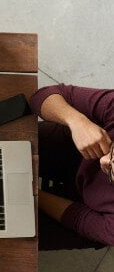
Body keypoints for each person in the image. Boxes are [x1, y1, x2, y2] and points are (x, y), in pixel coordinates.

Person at [30, 84, 113, 249]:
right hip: (71, 147)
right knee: (6, 138)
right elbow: (40, 97)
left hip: (84, 205)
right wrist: (77, 121)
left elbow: (77, 218)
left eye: (110, 170)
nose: (102, 161)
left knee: (12, 233)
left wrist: (31, 193)